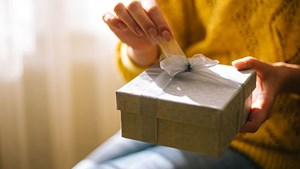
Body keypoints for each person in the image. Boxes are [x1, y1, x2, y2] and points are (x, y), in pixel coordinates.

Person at [73, 0, 300, 168]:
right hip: (175, 116)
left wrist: (286, 78)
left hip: (263, 146)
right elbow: (153, 62)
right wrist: (142, 49)